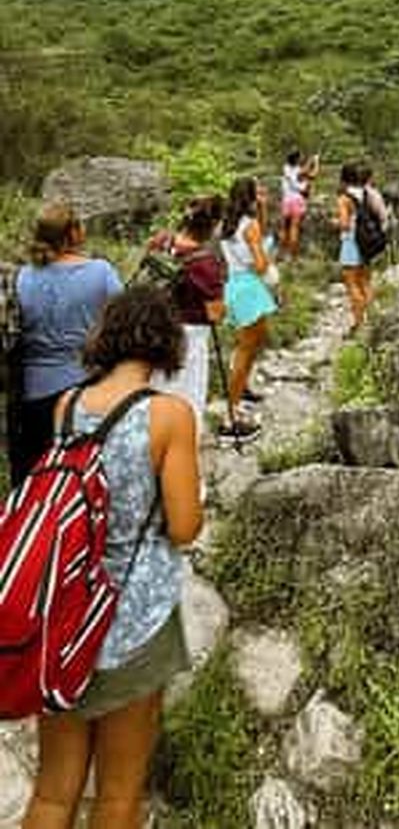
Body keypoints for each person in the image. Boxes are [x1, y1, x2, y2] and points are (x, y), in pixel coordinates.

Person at [21, 285, 202, 829]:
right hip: (133, 623)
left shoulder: (67, 405)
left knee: (54, 792)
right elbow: (185, 526)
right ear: (167, 342)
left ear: (108, 336)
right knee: (118, 795)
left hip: (65, 611)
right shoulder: (169, 416)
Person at [12, 205, 123, 485]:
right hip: (86, 385)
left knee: (36, 479)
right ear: (73, 232)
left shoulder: (23, 276)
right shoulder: (101, 272)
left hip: (33, 391)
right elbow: (124, 318)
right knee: (80, 478)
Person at [149, 196, 225, 444]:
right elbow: (216, 314)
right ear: (213, 226)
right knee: (186, 398)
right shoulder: (206, 264)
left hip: (153, 328)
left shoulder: (162, 241)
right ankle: (180, 455)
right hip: (189, 340)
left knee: (154, 391)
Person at [219, 176, 276, 444]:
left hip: (235, 283)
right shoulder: (249, 225)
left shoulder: (228, 225)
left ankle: (240, 392)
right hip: (250, 287)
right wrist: (265, 260)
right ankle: (230, 416)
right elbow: (262, 264)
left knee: (252, 343)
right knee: (246, 348)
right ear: (251, 197)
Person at [335, 163, 373, 331]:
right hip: (366, 242)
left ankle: (359, 324)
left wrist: (334, 222)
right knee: (365, 281)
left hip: (351, 243)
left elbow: (344, 224)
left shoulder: (344, 198)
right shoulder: (366, 193)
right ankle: (371, 320)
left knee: (352, 284)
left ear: (343, 178)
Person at [280, 150, 319, 258]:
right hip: (297, 200)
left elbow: (308, 172)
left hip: (286, 200)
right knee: (294, 228)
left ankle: (282, 253)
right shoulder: (298, 171)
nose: (302, 159)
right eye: (300, 157)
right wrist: (314, 161)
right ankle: (292, 256)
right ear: (296, 159)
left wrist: (313, 162)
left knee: (284, 228)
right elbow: (311, 174)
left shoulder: (286, 168)